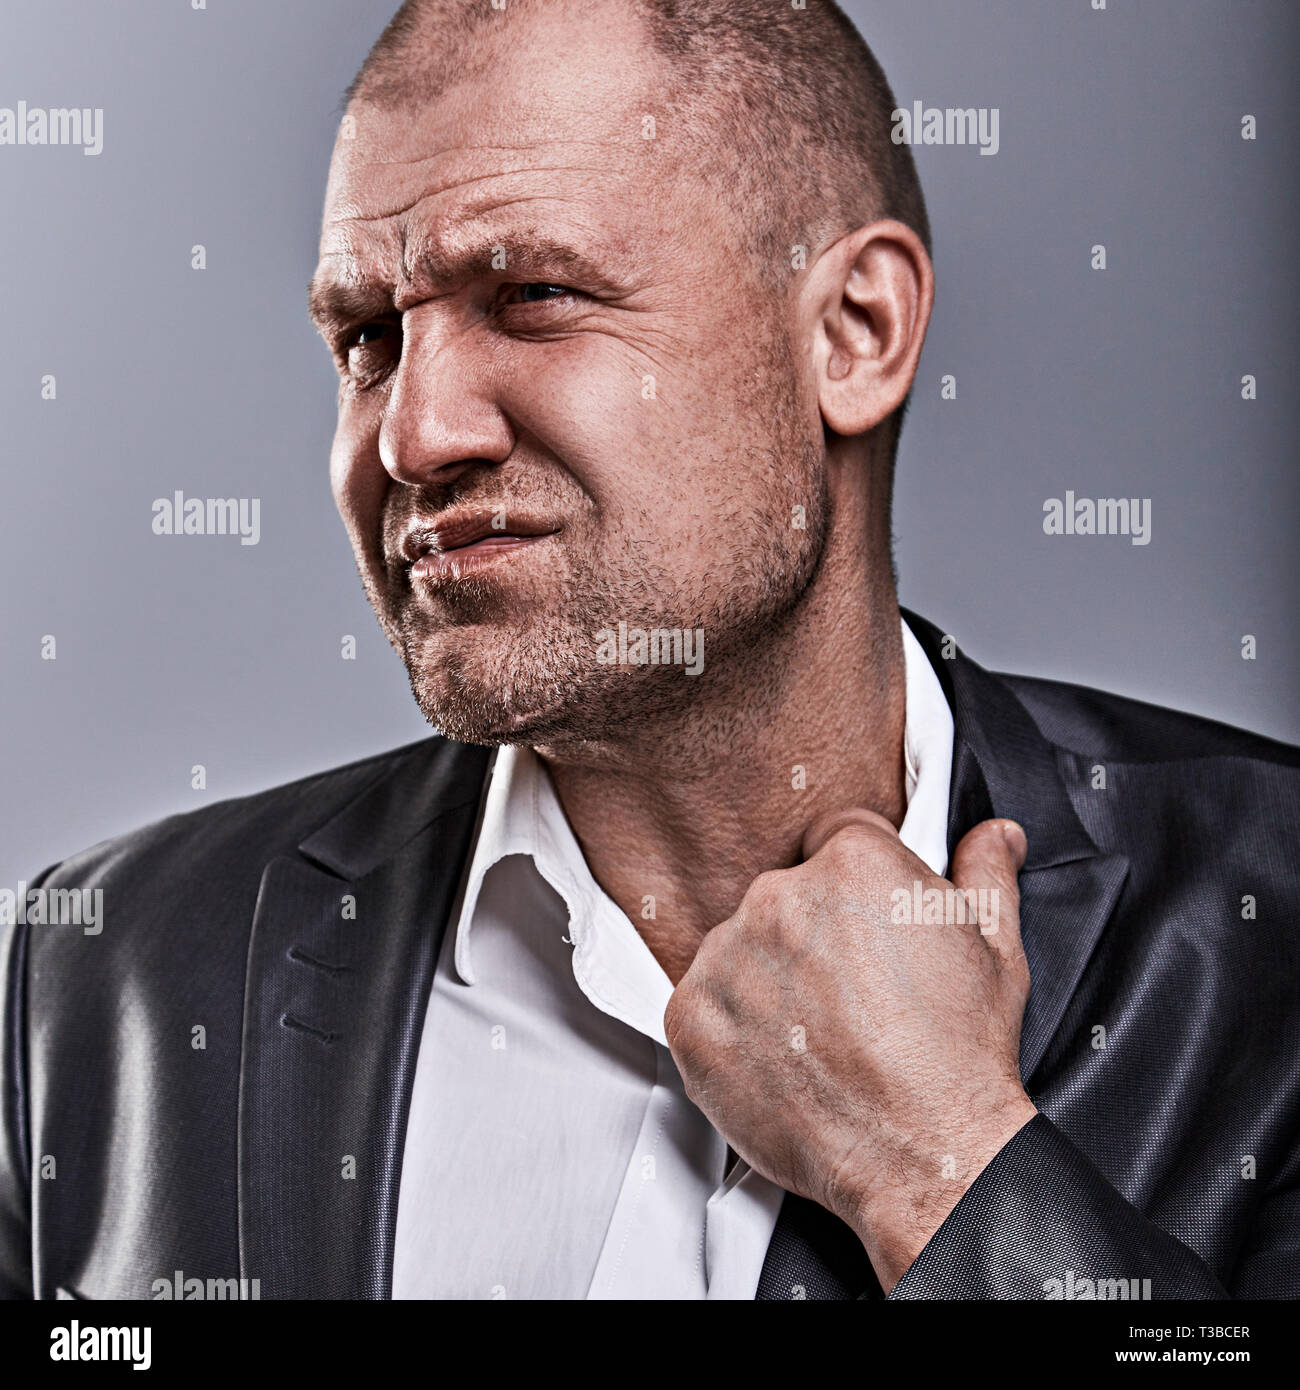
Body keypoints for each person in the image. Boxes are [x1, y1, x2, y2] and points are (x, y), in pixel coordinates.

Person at [2, 0, 1297, 1300]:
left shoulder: (1271, 924)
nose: (412, 437)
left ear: (855, 330)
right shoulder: (96, 979)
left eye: (534, 296)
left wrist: (951, 1171)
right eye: (367, 341)